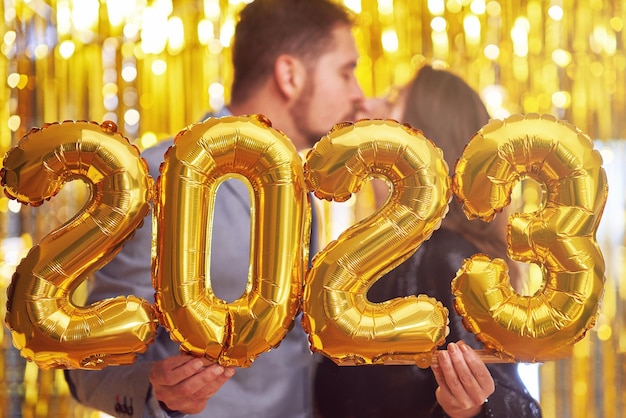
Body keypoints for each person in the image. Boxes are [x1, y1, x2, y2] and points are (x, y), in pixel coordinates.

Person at [65, 0, 364, 417]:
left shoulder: (302, 182)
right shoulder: (158, 178)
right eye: (346, 71)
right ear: (290, 74)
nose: (358, 93)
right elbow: (90, 365)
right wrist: (159, 393)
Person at [312, 65, 543, 417]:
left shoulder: (448, 257)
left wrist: (468, 408)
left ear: (425, 141)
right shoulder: (386, 255)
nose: (366, 102)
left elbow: (518, 405)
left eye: (390, 103)